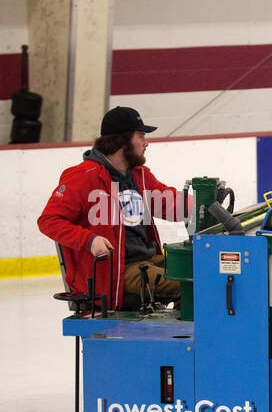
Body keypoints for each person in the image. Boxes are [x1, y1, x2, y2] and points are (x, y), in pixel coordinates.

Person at [39, 106, 182, 308]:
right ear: (123, 141)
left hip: (148, 261)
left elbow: (169, 203)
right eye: (141, 136)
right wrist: (89, 240)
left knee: (202, 271)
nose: (146, 142)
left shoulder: (139, 176)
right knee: (191, 283)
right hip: (118, 270)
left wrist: (204, 203)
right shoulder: (83, 176)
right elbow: (49, 221)